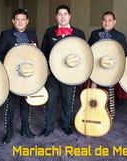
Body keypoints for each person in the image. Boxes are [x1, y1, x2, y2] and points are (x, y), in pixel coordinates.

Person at [40, 4, 86, 137]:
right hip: (52, 74)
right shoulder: (49, 32)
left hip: (70, 75)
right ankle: (48, 127)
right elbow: (44, 52)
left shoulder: (79, 33)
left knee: (68, 101)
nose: (62, 16)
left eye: (65, 14)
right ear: (56, 17)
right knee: (50, 101)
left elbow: (84, 55)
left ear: (70, 16)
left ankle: (66, 125)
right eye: (60, 14)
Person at [0, 9, 38, 143]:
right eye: (17, 19)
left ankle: (25, 129)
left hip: (27, 76)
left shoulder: (32, 34)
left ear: (27, 21)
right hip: (12, 76)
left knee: (26, 103)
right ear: (13, 21)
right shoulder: (6, 34)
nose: (20, 22)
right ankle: (8, 133)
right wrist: (13, 58)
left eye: (23, 19)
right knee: (10, 105)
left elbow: (36, 55)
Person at [88, 11, 127, 119]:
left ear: (114, 22)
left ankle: (109, 117)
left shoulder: (120, 36)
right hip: (95, 68)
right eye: (104, 20)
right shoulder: (94, 34)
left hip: (110, 70)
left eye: (109, 20)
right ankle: (94, 114)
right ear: (102, 21)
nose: (107, 22)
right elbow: (88, 50)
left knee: (108, 94)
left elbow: (124, 54)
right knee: (94, 93)